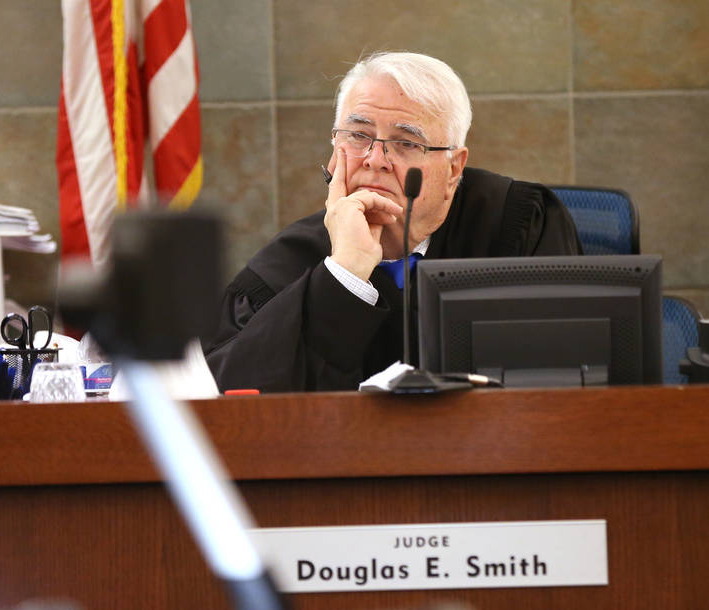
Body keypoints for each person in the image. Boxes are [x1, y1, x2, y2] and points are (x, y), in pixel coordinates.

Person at [202, 51, 581, 393]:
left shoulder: (516, 223)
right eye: (358, 135)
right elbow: (224, 401)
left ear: (453, 168)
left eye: (406, 143)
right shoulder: (286, 265)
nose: (374, 159)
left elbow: (569, 375)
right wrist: (344, 274)